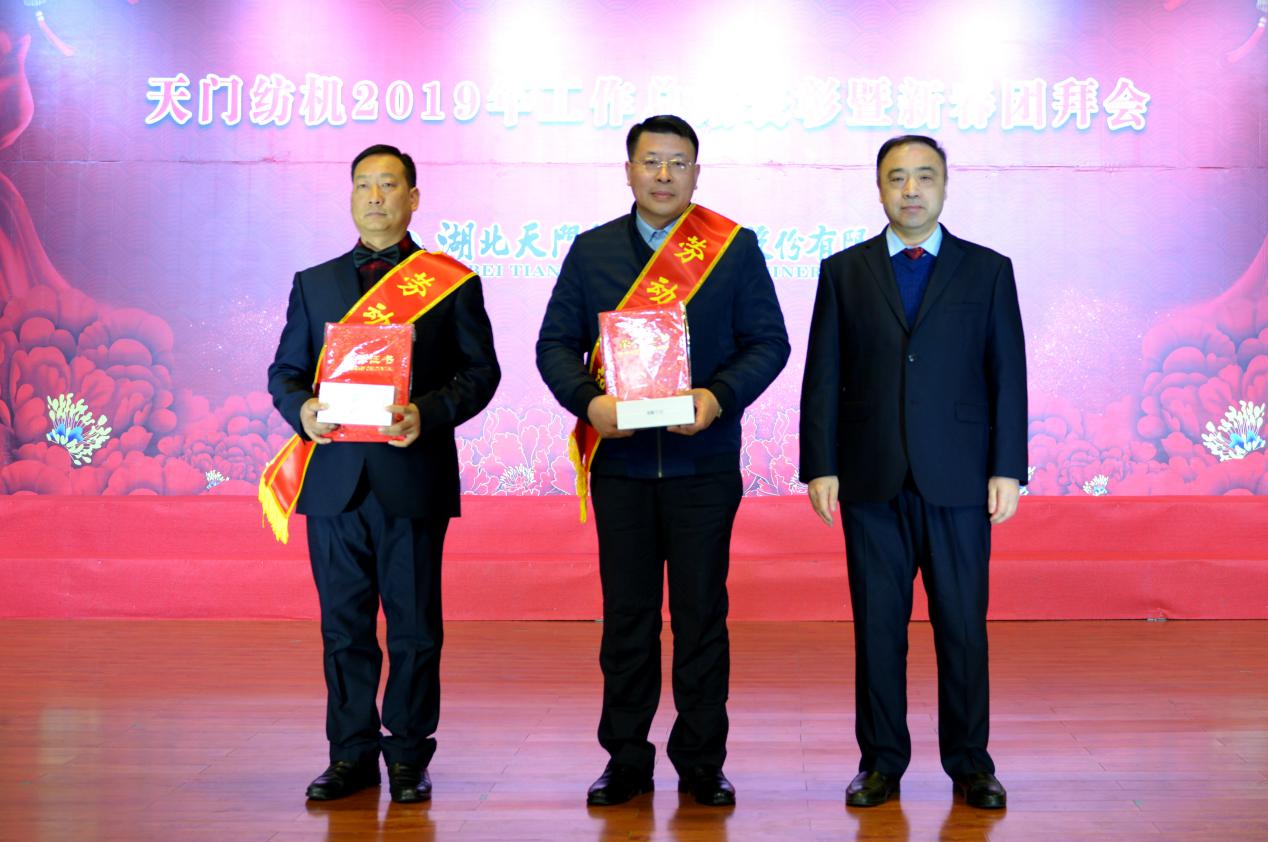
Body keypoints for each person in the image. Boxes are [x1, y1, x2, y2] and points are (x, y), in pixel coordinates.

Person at [536, 115, 790, 807]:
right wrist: (589, 402)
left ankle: (702, 761)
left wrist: (718, 396)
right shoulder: (592, 251)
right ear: (628, 171)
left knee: (702, 616)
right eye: (651, 161)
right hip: (620, 469)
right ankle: (625, 759)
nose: (664, 175)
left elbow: (768, 342)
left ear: (696, 174)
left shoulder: (732, 248)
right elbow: (554, 345)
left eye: (679, 163)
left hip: (703, 465)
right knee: (628, 618)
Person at [266, 144, 500, 803]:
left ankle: (408, 755)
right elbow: (285, 372)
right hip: (334, 482)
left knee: (415, 628)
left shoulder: (451, 282)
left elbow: (481, 373)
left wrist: (427, 412)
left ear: (413, 198)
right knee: (342, 627)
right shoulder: (313, 283)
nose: (375, 196)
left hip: (412, 475)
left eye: (389, 185)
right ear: (350, 197)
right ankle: (349, 756)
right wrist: (302, 408)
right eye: (363, 184)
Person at [799, 135, 1027, 810]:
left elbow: (1007, 375)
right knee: (878, 628)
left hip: (960, 480)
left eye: (925, 177)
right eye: (897, 178)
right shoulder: (844, 271)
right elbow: (823, 376)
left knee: (962, 627)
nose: (911, 190)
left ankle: (971, 764)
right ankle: (880, 763)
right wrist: (820, 465)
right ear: (879, 189)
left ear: (945, 185)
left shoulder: (988, 270)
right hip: (871, 479)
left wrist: (1007, 468)